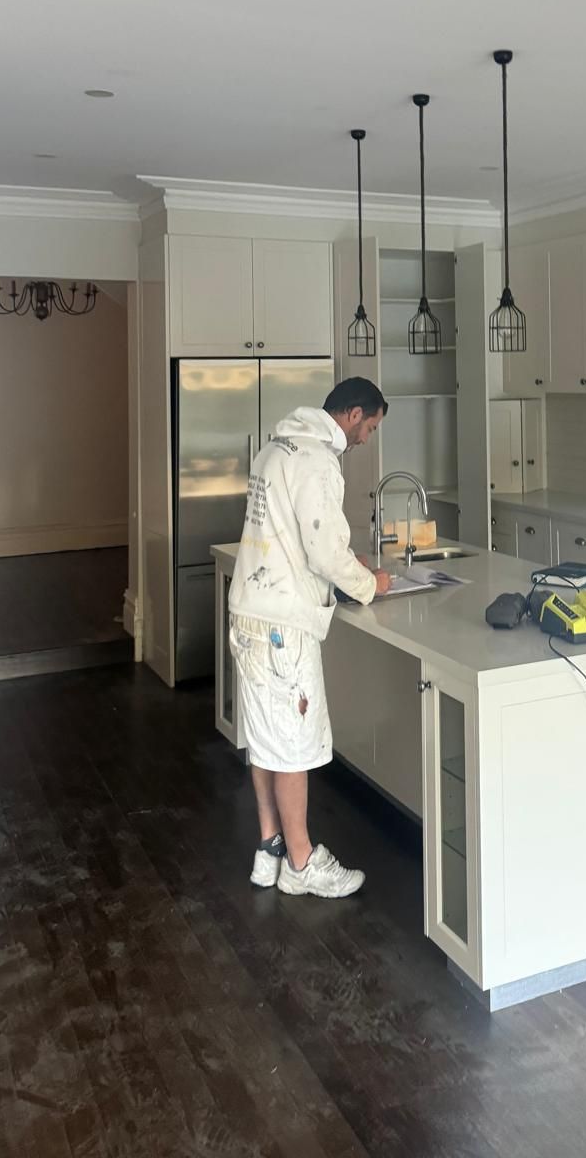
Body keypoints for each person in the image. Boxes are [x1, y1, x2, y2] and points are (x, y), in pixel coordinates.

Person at [228, 376, 391, 898]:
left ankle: (270, 846)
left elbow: (295, 536)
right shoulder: (318, 460)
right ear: (352, 414)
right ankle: (303, 864)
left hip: (251, 612)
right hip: (283, 626)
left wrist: (340, 563)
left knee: (264, 738)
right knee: (294, 745)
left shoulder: (275, 447)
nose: (366, 438)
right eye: (370, 427)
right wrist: (369, 583)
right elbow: (322, 550)